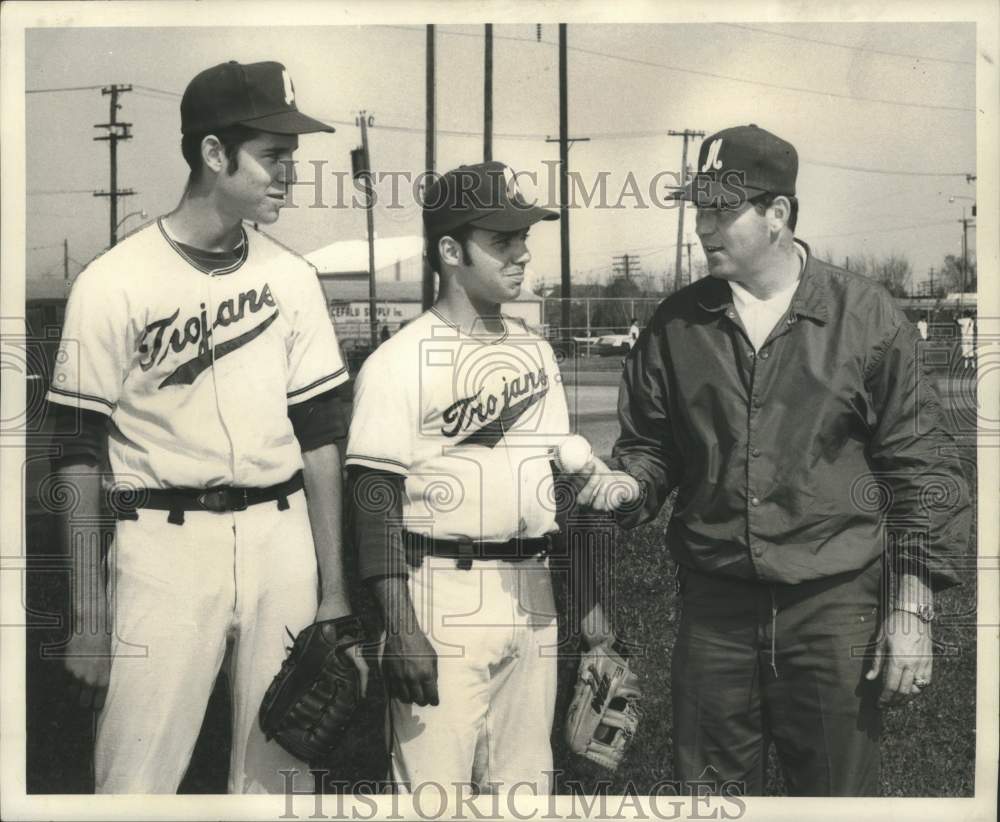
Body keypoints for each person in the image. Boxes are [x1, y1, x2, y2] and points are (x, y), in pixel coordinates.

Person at [576, 124, 971, 796]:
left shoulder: (865, 316)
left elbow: (924, 470)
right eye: (698, 209)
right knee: (708, 799)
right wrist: (626, 487)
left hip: (832, 606)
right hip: (715, 611)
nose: (703, 228)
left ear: (778, 215)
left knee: (837, 801)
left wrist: (912, 607)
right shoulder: (676, 325)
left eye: (722, 210)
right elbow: (651, 450)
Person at [46, 60, 364, 794]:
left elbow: (319, 436)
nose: (290, 173)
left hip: (280, 537)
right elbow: (75, 454)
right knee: (136, 773)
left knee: (281, 776)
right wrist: (90, 616)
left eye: (292, 156)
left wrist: (334, 592)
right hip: (164, 543)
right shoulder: (113, 282)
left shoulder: (290, 278)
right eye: (274, 155)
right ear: (214, 153)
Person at [345, 161, 604, 794]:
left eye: (524, 238)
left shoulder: (534, 350)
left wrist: (595, 622)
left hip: (533, 589)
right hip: (442, 591)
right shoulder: (398, 361)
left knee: (525, 790)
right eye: (503, 240)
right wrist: (401, 628)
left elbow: (559, 488)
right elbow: (372, 502)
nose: (522, 254)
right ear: (451, 249)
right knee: (433, 795)